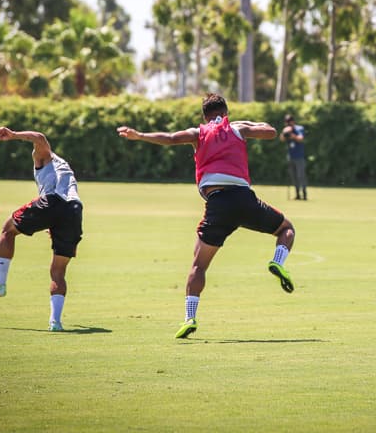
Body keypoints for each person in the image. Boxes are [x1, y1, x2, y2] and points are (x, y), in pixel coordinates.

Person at [117, 93, 297, 339]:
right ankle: (278, 261)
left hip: (217, 204)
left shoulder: (198, 133)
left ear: (204, 116)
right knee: (286, 230)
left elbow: (169, 139)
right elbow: (270, 131)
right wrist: (239, 123)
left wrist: (139, 136)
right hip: (245, 200)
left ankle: (190, 317)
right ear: (226, 113)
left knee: (198, 265)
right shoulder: (236, 128)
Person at [0, 127, 84, 331]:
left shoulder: (43, 156)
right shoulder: (63, 166)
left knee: (8, 229)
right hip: (75, 211)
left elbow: (40, 138)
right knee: (58, 271)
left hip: (54, 202)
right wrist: (54, 223)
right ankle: (55, 322)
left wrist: (14, 135)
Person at [281, 114, 308, 200]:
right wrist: (284, 132)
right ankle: (297, 195)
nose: (288, 124)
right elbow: (282, 139)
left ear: (293, 121)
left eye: (289, 122)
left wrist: (292, 135)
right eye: (287, 123)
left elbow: (300, 138)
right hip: (291, 157)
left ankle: (304, 194)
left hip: (299, 157)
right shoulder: (286, 130)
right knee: (293, 177)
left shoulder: (299, 128)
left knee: (301, 176)